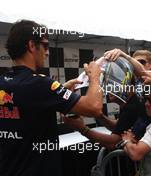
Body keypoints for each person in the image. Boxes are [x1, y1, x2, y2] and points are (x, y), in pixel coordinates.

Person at [0, 20, 103, 176]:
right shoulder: (40, 84)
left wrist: (59, 91)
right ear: (31, 45)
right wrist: (95, 76)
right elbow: (94, 107)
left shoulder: (4, 81)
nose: (47, 52)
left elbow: (30, 104)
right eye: (45, 46)